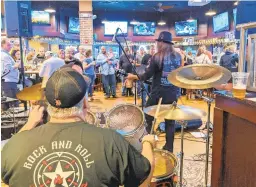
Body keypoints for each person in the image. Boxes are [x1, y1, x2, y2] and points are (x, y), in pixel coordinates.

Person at [1, 68, 155, 187]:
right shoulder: (111, 142)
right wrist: (148, 143)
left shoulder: (16, 145)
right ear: (86, 103)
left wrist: (29, 124)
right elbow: (142, 177)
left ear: (47, 104)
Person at [127, 31, 181, 153]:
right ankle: (169, 148)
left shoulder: (157, 56)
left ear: (161, 43)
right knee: (170, 121)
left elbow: (146, 76)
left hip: (158, 93)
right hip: (173, 93)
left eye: (158, 42)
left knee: (148, 117)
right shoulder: (178, 56)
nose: (156, 44)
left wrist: (133, 77)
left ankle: (149, 145)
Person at [1, 39, 20, 108]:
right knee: (12, 103)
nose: (10, 46)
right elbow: (7, 69)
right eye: (8, 45)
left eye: (11, 45)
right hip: (8, 81)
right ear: (2, 45)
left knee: (7, 102)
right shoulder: (4, 55)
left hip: (8, 81)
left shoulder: (5, 54)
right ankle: (13, 118)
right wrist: (16, 65)